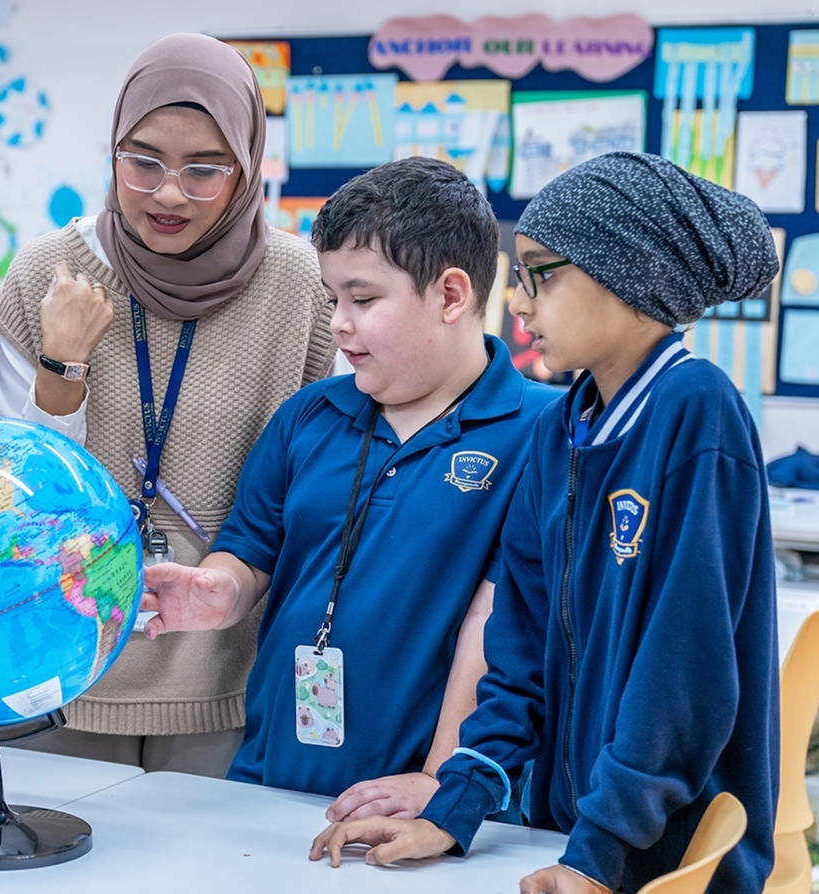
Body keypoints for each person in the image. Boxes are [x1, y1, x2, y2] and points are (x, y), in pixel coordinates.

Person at [309, 152, 781, 894]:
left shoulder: (697, 413)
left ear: (633, 271)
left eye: (543, 275)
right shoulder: (560, 428)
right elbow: (518, 649)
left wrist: (600, 855)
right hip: (570, 838)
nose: (520, 305)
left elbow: (683, 678)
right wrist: (454, 808)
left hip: (666, 862)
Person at [140, 157, 554, 817]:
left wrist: (443, 781)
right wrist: (222, 588)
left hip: (421, 805)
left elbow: (503, 623)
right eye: (334, 299)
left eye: (362, 300)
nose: (337, 322)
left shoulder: (542, 431)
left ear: (450, 296)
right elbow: (252, 545)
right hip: (271, 780)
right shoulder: (310, 414)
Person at [0, 33, 334, 776]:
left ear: (246, 167)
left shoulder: (300, 282)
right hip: (69, 656)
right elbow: (21, 488)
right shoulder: (43, 274)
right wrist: (64, 361)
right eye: (142, 162)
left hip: (231, 669)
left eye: (205, 170)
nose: (169, 194)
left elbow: (314, 484)